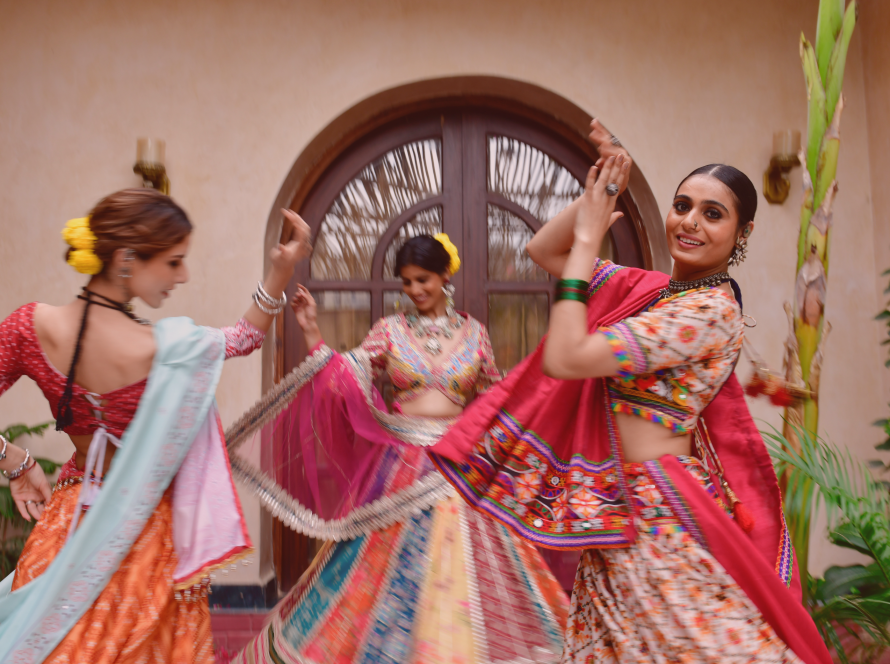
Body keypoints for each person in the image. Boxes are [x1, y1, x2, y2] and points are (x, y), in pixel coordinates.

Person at [429, 121, 832, 663]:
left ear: (743, 233)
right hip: (618, 505)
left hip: (662, 513)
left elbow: (567, 357)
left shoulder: (709, 311)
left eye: (713, 214)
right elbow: (544, 249)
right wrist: (605, 187)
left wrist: (591, 238)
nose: (690, 222)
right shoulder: (649, 293)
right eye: (682, 205)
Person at [0, 188, 310, 663]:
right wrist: (280, 272)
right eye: (173, 262)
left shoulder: (28, 327)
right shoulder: (165, 348)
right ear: (126, 259)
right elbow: (246, 337)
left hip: (67, 526)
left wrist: (13, 461)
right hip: (148, 538)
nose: (182, 276)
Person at [228, 234, 569, 664]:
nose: (414, 290)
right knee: (379, 570)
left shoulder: (475, 333)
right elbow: (346, 380)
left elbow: (496, 396)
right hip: (402, 465)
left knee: (470, 566)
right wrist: (312, 329)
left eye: (423, 280)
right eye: (406, 283)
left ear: (446, 275)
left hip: (460, 461)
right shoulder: (389, 331)